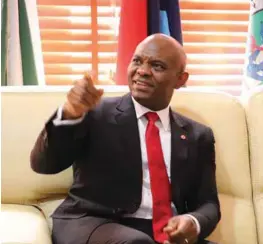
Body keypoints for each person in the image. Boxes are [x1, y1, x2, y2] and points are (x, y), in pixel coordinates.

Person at [30, 34, 220, 244]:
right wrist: (69, 113)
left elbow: (208, 204)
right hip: (96, 223)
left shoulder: (197, 135)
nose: (143, 71)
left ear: (180, 79)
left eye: (157, 66)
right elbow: (44, 164)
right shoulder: (95, 113)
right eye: (137, 61)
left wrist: (194, 221)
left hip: (166, 234)